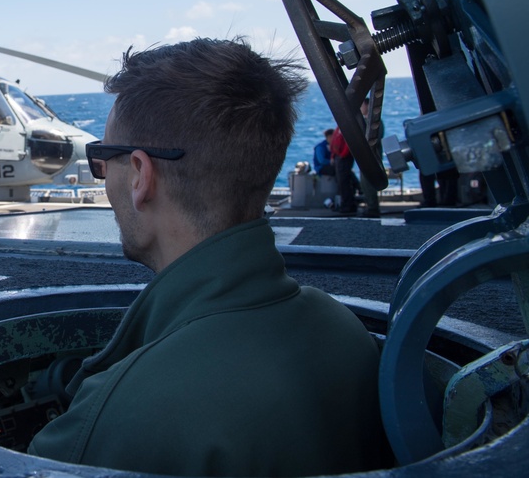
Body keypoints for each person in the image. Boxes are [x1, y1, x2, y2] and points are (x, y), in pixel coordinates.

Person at [28, 39, 387, 477]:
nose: (105, 178)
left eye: (104, 159)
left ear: (141, 175)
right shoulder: (346, 331)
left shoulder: (127, 411)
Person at [359, 97, 383, 218]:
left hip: (372, 157)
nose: (361, 108)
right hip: (365, 157)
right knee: (364, 184)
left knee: (369, 183)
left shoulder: (375, 122)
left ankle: (373, 208)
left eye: (362, 105)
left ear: (368, 105)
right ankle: (370, 206)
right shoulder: (366, 121)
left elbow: (375, 139)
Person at [330, 125, 358, 213]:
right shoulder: (339, 128)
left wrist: (343, 155)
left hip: (344, 157)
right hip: (339, 156)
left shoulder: (346, 128)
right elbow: (334, 142)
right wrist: (333, 155)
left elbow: (348, 143)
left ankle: (348, 204)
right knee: (341, 182)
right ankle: (345, 203)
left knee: (344, 181)